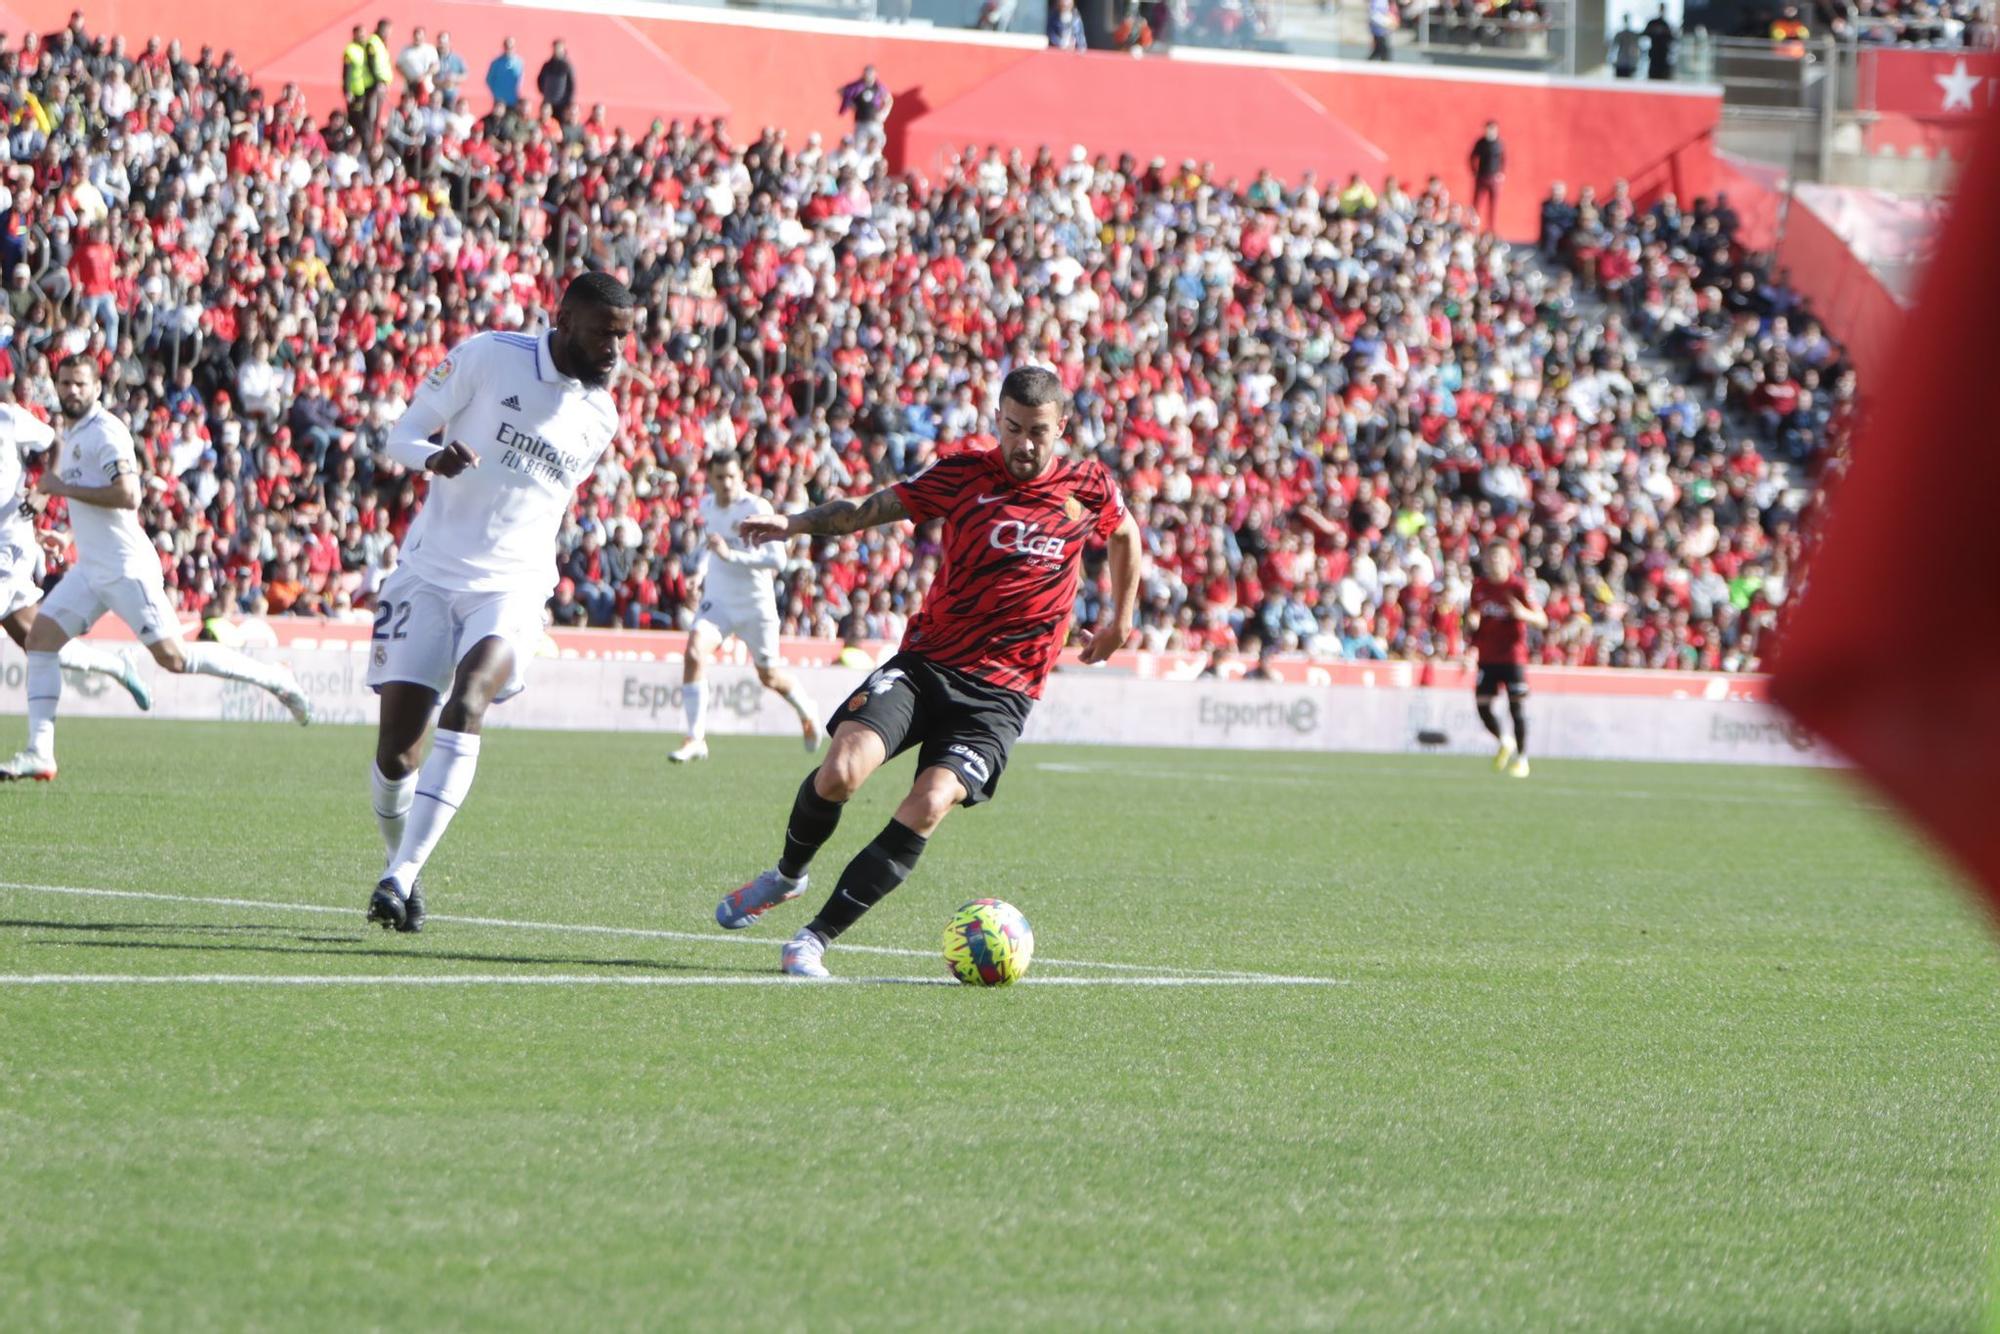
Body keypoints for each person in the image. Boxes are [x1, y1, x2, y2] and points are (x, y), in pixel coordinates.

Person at [717, 366, 1140, 978]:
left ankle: (813, 939)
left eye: (1038, 433)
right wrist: (795, 523)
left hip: (1002, 695)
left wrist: (1120, 620)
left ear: (1062, 429)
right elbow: (866, 510)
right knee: (839, 772)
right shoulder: (964, 473)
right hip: (927, 665)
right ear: (997, 419)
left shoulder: (1089, 486)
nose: (1023, 444)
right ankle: (786, 876)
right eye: (1013, 428)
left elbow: (1124, 534)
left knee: (932, 799)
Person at [362, 272, 638, 933]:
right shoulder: (489, 355)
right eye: (604, 333)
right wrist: (433, 458)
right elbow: (399, 436)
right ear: (565, 318)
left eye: (624, 338)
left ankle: (399, 878)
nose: (615, 350)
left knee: (470, 698)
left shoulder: (602, 417)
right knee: (396, 753)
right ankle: (405, 859)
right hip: (427, 574)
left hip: (513, 583)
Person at [2, 357, 311, 782]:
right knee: (40, 641)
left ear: (96, 387)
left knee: (175, 658)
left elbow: (128, 495)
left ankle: (275, 677)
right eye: (65, 383)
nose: (71, 390)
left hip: (127, 568)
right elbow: (99, 512)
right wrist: (67, 537)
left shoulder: (106, 430)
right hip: (93, 566)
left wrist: (61, 488)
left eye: (79, 383)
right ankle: (40, 752)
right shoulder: (72, 433)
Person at [669, 450, 824, 763]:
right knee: (694, 653)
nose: (726, 483)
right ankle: (695, 737)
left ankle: (807, 708)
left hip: (756, 605)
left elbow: (777, 560)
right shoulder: (707, 506)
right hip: (719, 601)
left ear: (741, 476)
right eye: (719, 477)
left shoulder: (756, 508)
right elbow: (710, 548)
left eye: (731, 476)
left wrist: (731, 556)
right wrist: (699, 573)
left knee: (770, 677)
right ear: (710, 478)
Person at [0, 394, 151, 710]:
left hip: (8, 547)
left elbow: (56, 443)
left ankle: (39, 746)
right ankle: (117, 666)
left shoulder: (9, 418)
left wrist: (43, 490)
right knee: (37, 642)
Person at [1467, 544, 1546, 779]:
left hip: (1513, 657)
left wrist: (1523, 614)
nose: (1495, 562)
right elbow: (1474, 612)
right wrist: (1472, 621)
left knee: (1516, 707)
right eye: (1491, 557)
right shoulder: (1480, 587)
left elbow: (1542, 620)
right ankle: (1504, 740)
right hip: (1487, 656)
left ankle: (1522, 759)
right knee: (1482, 704)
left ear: (1510, 561)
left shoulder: (1518, 587)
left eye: (1500, 558)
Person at [836, 65, 892, 159]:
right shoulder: (857, 87)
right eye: (866, 73)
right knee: (860, 147)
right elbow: (841, 91)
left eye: (871, 73)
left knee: (877, 145)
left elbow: (889, 100)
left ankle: (875, 167)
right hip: (861, 122)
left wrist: (884, 114)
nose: (868, 76)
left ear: (875, 74)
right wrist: (851, 104)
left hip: (875, 122)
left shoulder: (878, 87)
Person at [1469, 120, 1505, 234]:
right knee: (1476, 204)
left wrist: (1501, 173)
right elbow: (1472, 157)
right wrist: (1474, 171)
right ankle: (1474, 228)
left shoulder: (1499, 143)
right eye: (1488, 129)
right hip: (1481, 177)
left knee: (1493, 204)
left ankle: (1491, 229)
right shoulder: (1481, 143)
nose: (1490, 131)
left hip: (1494, 178)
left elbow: (1503, 159)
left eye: (1493, 129)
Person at [536, 39, 574, 121]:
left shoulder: (567, 66)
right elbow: (539, 80)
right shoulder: (547, 65)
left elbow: (571, 85)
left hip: (562, 104)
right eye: (556, 48)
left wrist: (567, 101)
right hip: (548, 102)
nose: (557, 50)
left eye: (559, 48)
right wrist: (545, 93)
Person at [486, 36, 524, 117]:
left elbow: (520, 81)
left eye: (511, 46)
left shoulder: (519, 62)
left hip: (513, 100)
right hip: (499, 100)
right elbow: (489, 80)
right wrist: (496, 93)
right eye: (507, 46)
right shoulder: (496, 63)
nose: (509, 49)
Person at [1643, 5, 1677, 80]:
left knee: (1662, 77)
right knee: (1653, 75)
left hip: (1663, 55)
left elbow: (1672, 38)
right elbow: (1644, 33)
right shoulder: (1652, 22)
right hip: (1654, 54)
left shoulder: (1666, 24)